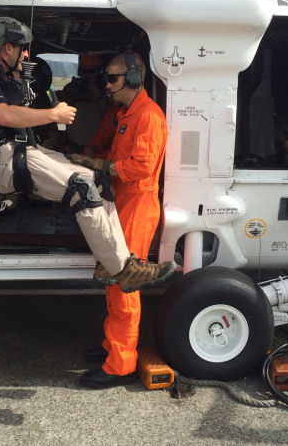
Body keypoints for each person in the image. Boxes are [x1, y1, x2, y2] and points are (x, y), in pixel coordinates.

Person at [0, 17, 175, 294]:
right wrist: (53, 114)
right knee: (80, 187)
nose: (26, 55)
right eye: (22, 49)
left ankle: (112, 263)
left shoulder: (3, 78)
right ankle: (123, 268)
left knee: (98, 180)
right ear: (7, 48)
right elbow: (4, 115)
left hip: (15, 151)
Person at [68, 52, 168, 389]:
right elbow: (119, 157)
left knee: (125, 282)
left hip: (137, 204)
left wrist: (98, 165)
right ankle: (114, 346)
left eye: (112, 79)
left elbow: (140, 167)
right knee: (113, 276)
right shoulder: (126, 114)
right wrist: (93, 159)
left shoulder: (148, 117)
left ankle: (121, 364)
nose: (106, 85)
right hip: (122, 201)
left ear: (135, 77)